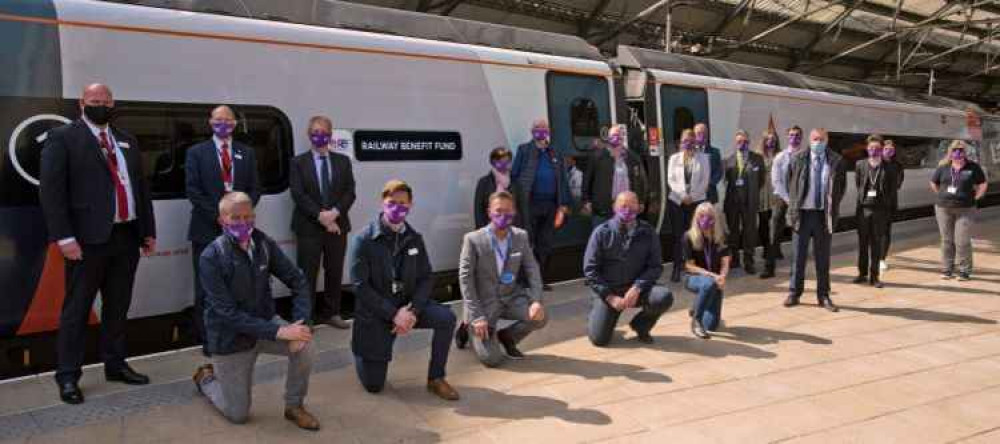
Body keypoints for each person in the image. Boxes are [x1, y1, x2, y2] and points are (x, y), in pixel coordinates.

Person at [40, 83, 157, 404]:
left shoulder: (127, 140)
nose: (101, 105)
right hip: (86, 241)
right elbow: (51, 193)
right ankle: (67, 376)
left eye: (106, 101)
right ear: (82, 103)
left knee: (118, 307)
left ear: (113, 103)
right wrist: (64, 237)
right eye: (95, 101)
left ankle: (115, 365)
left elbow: (140, 190)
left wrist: (147, 230)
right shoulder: (62, 139)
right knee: (76, 310)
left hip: (126, 236)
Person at [192, 192, 319, 430]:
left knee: (306, 347)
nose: (243, 223)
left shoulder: (264, 244)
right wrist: (280, 332)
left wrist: (301, 325)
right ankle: (206, 378)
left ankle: (294, 406)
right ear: (222, 220)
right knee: (237, 414)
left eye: (248, 217)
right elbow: (226, 313)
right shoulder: (212, 256)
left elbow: (297, 279)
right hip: (231, 339)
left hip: (265, 326)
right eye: (235, 218)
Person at [349, 180, 459, 400]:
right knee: (374, 386)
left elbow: (426, 277)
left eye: (403, 203)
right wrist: (393, 314)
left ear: (410, 205)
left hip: (408, 306)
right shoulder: (364, 240)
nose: (397, 208)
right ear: (382, 204)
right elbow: (360, 286)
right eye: (392, 203)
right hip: (378, 313)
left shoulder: (414, 239)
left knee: (446, 318)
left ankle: (436, 378)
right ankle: (362, 353)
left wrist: (413, 310)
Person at [186, 105, 260, 346]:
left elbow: (255, 188)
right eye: (218, 120)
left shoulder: (246, 152)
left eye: (228, 120)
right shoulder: (197, 152)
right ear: (210, 123)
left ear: (235, 124)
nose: (223, 124)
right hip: (206, 229)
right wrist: (221, 217)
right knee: (206, 288)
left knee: (239, 285)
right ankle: (209, 340)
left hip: (241, 232)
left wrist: (240, 216)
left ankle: (238, 333)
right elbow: (193, 191)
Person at [458, 191, 547, 367]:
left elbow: (532, 269)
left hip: (510, 297)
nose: (503, 216)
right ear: (489, 212)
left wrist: (536, 300)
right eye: (498, 211)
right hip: (484, 304)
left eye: (508, 211)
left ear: (514, 213)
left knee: (540, 317)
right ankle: (466, 326)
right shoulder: (473, 240)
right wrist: (476, 316)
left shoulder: (520, 236)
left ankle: (507, 336)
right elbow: (465, 279)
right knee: (492, 359)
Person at [289, 116, 356, 329]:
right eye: (316, 132)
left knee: (334, 271)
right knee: (306, 274)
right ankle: (305, 318)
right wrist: (322, 217)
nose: (320, 137)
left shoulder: (342, 161)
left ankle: (332, 313)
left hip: (338, 226)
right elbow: (298, 195)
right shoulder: (298, 162)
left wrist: (334, 213)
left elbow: (350, 192)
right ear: (310, 135)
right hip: (308, 227)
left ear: (330, 135)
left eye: (324, 132)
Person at [583, 191, 674, 346]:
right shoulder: (601, 232)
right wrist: (609, 297)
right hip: (609, 290)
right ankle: (601, 312)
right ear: (614, 207)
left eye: (632, 205)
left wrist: (638, 287)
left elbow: (655, 266)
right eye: (623, 205)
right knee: (599, 340)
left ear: (639, 208)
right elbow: (590, 270)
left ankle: (641, 325)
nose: (627, 210)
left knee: (663, 297)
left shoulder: (648, 232)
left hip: (636, 289)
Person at [785, 128, 847, 312]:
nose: (817, 142)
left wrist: (830, 207)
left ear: (827, 141)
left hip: (822, 216)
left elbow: (840, 188)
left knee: (823, 258)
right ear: (809, 140)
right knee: (798, 257)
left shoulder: (836, 161)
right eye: (814, 139)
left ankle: (823, 295)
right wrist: (795, 206)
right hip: (802, 216)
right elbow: (790, 184)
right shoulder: (797, 159)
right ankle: (794, 293)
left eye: (821, 139)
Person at [511, 119, 573, 291]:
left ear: (548, 132)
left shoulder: (555, 153)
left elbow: (563, 180)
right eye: (537, 128)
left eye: (543, 128)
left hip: (550, 205)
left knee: (544, 244)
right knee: (527, 242)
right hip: (529, 205)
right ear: (532, 131)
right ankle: (524, 280)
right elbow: (515, 176)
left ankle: (539, 280)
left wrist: (564, 204)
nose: (540, 131)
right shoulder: (524, 150)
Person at [931, 141, 988, 281]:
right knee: (947, 240)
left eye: (961, 150)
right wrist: (941, 195)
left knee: (962, 240)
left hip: (966, 208)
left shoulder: (973, 167)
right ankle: (947, 268)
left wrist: (978, 196)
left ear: (965, 152)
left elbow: (983, 183)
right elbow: (933, 182)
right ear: (950, 152)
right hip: (943, 208)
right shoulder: (943, 167)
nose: (958, 152)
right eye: (955, 150)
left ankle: (964, 270)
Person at [852, 135, 898, 289]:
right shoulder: (860, 165)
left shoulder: (890, 167)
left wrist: (888, 208)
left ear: (881, 149)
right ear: (867, 148)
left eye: (877, 148)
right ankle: (862, 273)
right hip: (864, 210)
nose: (874, 151)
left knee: (876, 243)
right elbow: (858, 185)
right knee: (863, 243)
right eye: (871, 148)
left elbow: (892, 190)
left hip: (880, 211)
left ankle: (875, 276)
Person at [582, 124, 648, 228]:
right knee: (603, 240)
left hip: (627, 209)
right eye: (614, 135)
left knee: (627, 240)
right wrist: (586, 200)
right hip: (603, 210)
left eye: (620, 135)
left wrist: (641, 201)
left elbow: (642, 181)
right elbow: (587, 179)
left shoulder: (633, 158)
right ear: (608, 138)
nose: (617, 138)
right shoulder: (597, 156)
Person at [667, 129, 710, 282]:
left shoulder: (703, 159)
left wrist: (692, 197)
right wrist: (683, 196)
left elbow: (705, 182)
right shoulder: (673, 159)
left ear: (695, 143)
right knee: (678, 236)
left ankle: (695, 267)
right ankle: (677, 268)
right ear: (680, 142)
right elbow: (671, 180)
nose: (688, 144)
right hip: (677, 202)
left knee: (695, 235)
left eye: (691, 141)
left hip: (696, 202)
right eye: (685, 141)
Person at [683, 203, 731, 339]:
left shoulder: (721, 236)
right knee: (708, 283)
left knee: (711, 325)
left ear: (715, 218)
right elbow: (689, 266)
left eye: (709, 216)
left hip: (715, 281)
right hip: (693, 278)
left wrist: (722, 277)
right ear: (696, 218)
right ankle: (696, 322)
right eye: (701, 216)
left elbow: (725, 262)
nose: (705, 219)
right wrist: (712, 275)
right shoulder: (688, 236)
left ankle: (696, 307)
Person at [761, 126, 804, 279]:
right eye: (791, 135)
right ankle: (769, 268)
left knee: (798, 236)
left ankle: (796, 270)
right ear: (787, 137)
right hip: (781, 200)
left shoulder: (806, 156)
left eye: (797, 135)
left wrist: (797, 200)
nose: (794, 138)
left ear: (801, 137)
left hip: (800, 202)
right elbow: (776, 181)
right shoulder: (780, 157)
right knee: (774, 234)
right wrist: (788, 199)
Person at [723, 130, 765, 275]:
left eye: (745, 142)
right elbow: (726, 181)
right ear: (736, 143)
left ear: (749, 142)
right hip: (732, 203)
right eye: (739, 142)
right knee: (733, 232)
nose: (742, 144)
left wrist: (751, 193)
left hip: (749, 202)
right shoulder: (728, 160)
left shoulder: (757, 159)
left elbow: (761, 180)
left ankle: (749, 261)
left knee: (749, 232)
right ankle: (734, 259)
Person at [473, 147, 523, 230]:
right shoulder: (484, 182)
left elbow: (522, 208)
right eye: (500, 160)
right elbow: (478, 209)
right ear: (493, 162)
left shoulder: (516, 183)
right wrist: (480, 230)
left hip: (512, 228)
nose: (504, 163)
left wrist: (525, 229)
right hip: (490, 228)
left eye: (507, 161)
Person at [756, 128, 781, 265]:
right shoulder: (758, 155)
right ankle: (766, 249)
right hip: (763, 193)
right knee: (764, 223)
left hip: (776, 192)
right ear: (764, 141)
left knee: (777, 223)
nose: (771, 141)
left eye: (773, 139)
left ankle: (776, 249)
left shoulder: (780, 154)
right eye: (768, 139)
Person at [880, 139, 905, 272]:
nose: (889, 151)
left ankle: (881, 259)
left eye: (891, 150)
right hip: (874, 204)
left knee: (885, 232)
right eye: (886, 149)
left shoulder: (898, 165)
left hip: (889, 203)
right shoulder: (875, 163)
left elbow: (899, 184)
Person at [694, 123, 723, 204]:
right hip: (693, 197)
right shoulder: (689, 152)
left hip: (709, 195)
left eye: (704, 133)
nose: (702, 136)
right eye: (699, 133)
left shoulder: (715, 152)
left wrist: (708, 184)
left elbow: (719, 171)